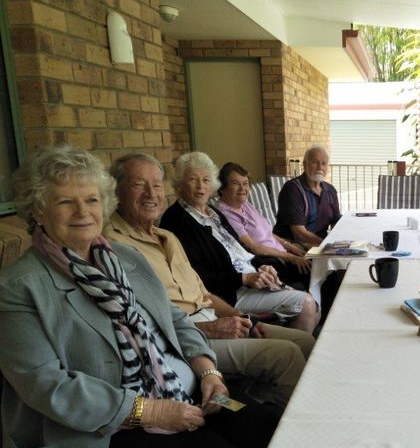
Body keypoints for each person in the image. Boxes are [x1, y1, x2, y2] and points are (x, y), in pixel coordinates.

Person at [0, 145, 276, 448]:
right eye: (65, 201)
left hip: (184, 397)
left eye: (92, 199)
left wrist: (210, 373)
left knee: (270, 430)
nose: (83, 212)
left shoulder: (123, 258)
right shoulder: (19, 288)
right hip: (98, 434)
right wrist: (152, 410)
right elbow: (48, 387)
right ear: (38, 210)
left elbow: (176, 321)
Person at [106, 153, 312, 410]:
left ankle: (261, 401)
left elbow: (204, 293)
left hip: (215, 316)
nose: (151, 193)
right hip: (190, 338)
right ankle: (281, 424)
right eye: (139, 184)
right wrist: (213, 328)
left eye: (156, 185)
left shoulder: (167, 236)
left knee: (305, 342)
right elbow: (147, 327)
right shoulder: (114, 247)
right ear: (115, 191)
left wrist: (245, 319)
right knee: (287, 355)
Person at [159, 152, 320, 334]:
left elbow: (242, 251)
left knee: (315, 308)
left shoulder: (213, 214)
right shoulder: (176, 220)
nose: (200, 186)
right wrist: (245, 278)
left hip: (251, 281)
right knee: (306, 305)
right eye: (192, 180)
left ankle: (281, 345)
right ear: (179, 185)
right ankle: (287, 351)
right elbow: (196, 277)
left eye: (205, 180)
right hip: (228, 293)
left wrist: (264, 267)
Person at [215, 161, 311, 289]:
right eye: (235, 183)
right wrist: (291, 257)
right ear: (222, 188)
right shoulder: (225, 213)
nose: (243, 189)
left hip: (282, 254)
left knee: (318, 260)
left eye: (245, 183)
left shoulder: (244, 204)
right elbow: (253, 247)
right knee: (316, 270)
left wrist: (290, 246)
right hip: (271, 263)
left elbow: (268, 234)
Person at [273, 145, 341, 246]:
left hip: (318, 244)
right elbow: (299, 234)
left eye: (324, 163)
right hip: (293, 245)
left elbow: (336, 223)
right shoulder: (293, 189)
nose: (320, 167)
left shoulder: (330, 190)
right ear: (305, 165)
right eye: (314, 162)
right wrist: (326, 246)